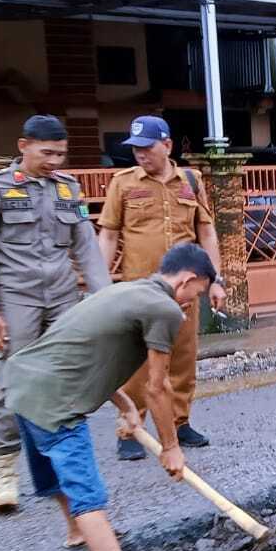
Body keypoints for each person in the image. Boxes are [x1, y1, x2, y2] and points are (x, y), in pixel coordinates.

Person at [4, 243, 216, 551]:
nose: (190, 304)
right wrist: (170, 446)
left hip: (22, 382)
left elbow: (89, 354)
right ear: (188, 280)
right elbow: (158, 386)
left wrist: (125, 405)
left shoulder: (126, 291)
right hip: (55, 401)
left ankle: (77, 533)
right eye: (196, 295)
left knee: (54, 476)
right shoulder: (164, 308)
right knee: (88, 494)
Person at [0, 115, 111, 513]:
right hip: (16, 299)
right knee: (12, 383)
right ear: (23, 146)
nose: (54, 160)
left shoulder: (68, 188)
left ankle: (63, 469)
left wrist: (103, 300)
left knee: (66, 381)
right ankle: (4, 468)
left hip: (62, 296)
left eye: (61, 154)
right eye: (46, 152)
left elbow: (86, 248)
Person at [97, 116, 226, 461]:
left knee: (183, 356)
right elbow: (108, 235)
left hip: (184, 290)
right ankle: (131, 428)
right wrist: (99, 284)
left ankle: (180, 423)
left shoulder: (191, 180)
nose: (140, 155)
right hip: (140, 290)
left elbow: (207, 232)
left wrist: (215, 280)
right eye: (135, 149)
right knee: (137, 360)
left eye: (147, 148)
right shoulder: (122, 184)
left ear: (167, 145)